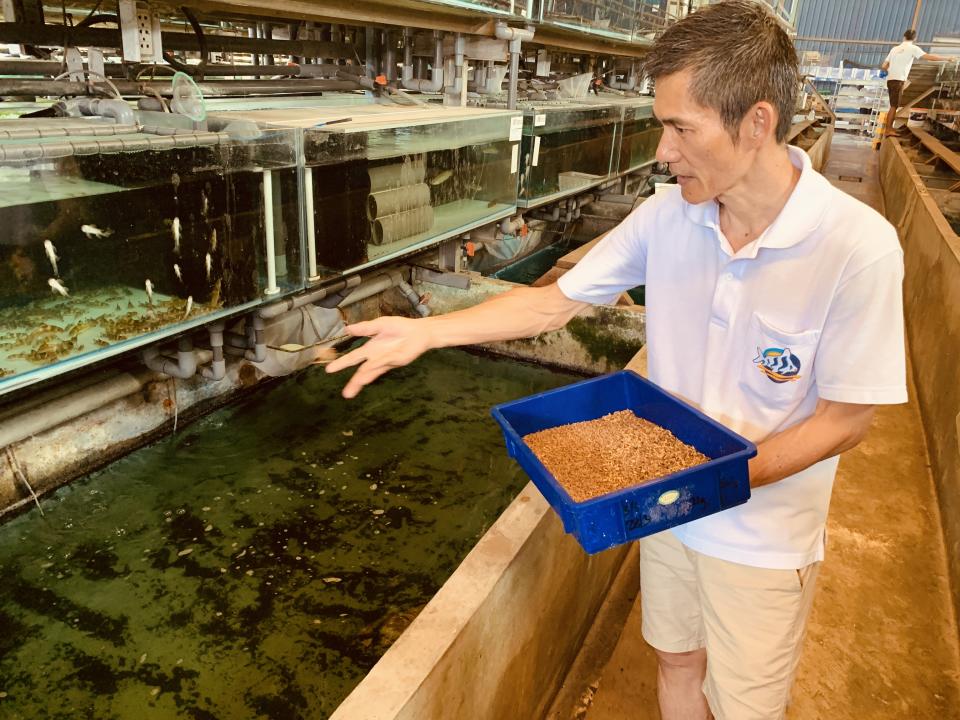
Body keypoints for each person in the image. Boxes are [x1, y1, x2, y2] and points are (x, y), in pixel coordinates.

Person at [327, 1, 908, 717]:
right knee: (673, 657)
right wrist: (428, 334)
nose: (662, 151)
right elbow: (551, 303)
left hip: (762, 538)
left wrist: (717, 477)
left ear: (756, 123)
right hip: (667, 512)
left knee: (746, 703)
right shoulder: (669, 216)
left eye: (679, 128)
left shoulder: (857, 247)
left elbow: (847, 421)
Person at [881, 28, 951, 134]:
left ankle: (889, 128)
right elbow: (928, 57)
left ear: (904, 37)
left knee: (893, 105)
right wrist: (946, 59)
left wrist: (891, 71)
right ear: (915, 38)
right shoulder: (913, 48)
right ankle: (888, 130)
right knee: (894, 106)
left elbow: (884, 66)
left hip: (891, 80)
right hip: (899, 80)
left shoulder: (894, 49)